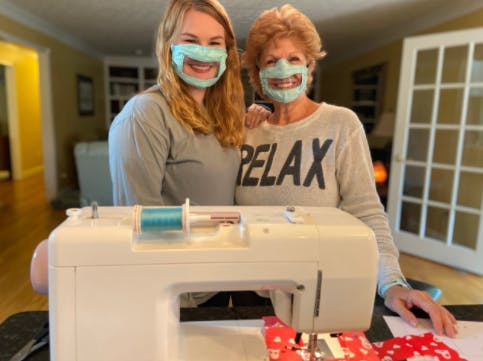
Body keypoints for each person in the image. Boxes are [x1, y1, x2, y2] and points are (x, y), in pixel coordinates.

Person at [235, 4, 458, 337]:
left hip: (318, 296)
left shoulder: (340, 124)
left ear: (309, 66)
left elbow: (367, 213)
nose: (283, 68)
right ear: (257, 72)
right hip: (248, 296)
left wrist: (394, 284)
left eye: (294, 58)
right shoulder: (245, 130)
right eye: (271, 60)